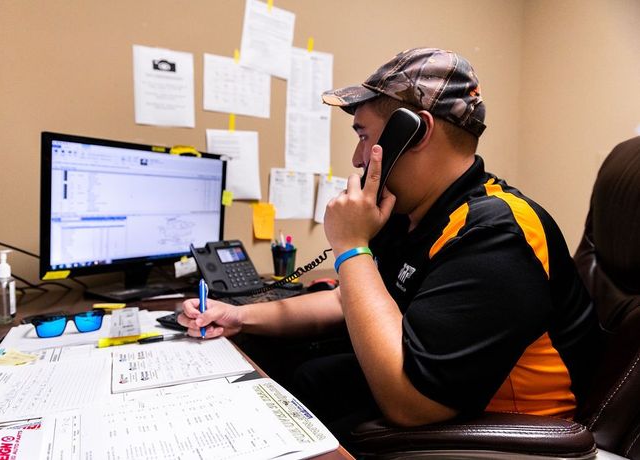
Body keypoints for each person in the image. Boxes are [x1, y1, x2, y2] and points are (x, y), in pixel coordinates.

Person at [178, 47, 602, 441]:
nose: (358, 159)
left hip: (499, 436)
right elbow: (348, 300)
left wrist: (350, 245)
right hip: (444, 405)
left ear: (413, 133)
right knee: (299, 371)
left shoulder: (496, 232)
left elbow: (411, 405)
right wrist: (239, 316)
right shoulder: (414, 216)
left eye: (364, 135)